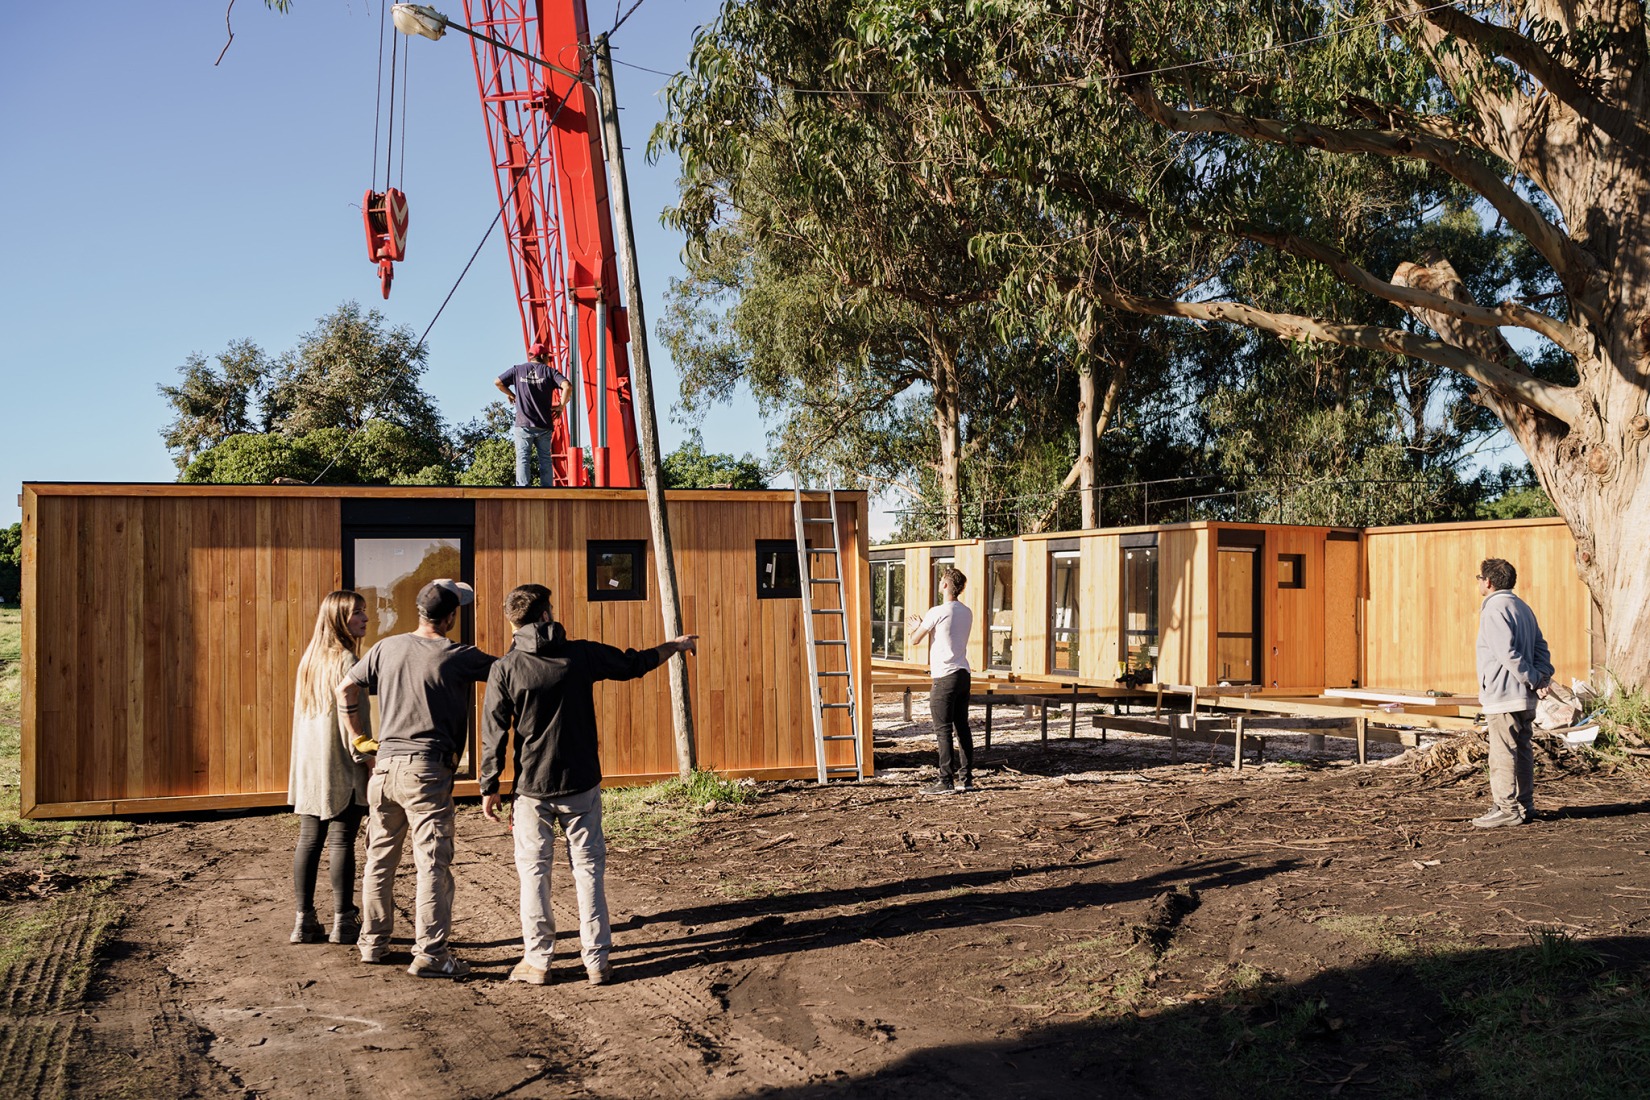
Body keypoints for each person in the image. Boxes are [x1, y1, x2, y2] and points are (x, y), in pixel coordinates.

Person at [480, 583, 697, 987]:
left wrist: (488, 785)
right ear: (545, 615)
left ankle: (538, 962)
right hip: (581, 784)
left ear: (514, 622)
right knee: (589, 871)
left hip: (532, 789)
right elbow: (634, 664)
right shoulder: (580, 654)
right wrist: (675, 646)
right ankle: (597, 961)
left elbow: (493, 732)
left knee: (534, 874)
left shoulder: (505, 668)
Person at [337, 579, 496, 977]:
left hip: (385, 768)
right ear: (451, 617)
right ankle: (431, 954)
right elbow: (512, 671)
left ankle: (373, 943)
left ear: (419, 612)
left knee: (379, 859)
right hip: (426, 771)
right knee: (431, 864)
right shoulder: (459, 654)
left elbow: (345, 688)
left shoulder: (386, 647)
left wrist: (359, 737)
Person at [287, 590, 372, 946]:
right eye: (358, 614)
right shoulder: (347, 660)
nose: (366, 619)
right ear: (340, 619)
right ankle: (344, 922)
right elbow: (353, 723)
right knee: (341, 841)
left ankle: (303, 922)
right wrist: (366, 759)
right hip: (340, 765)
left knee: (309, 840)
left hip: (309, 768)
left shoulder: (309, 660)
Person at [1473, 557, 1554, 829]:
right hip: (1524, 697)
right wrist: (1541, 677)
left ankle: (1506, 808)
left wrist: (1533, 678)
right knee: (1522, 749)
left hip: (1503, 693)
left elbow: (1507, 653)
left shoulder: (1494, 609)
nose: (1479, 583)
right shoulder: (1522, 607)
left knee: (1502, 752)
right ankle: (1524, 804)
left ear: (1489, 581)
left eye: (1479, 578)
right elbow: (1541, 648)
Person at [907, 566, 975, 795]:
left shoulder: (937, 611)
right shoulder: (967, 612)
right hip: (963, 675)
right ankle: (966, 779)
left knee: (943, 730)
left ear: (946, 585)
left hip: (944, 677)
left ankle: (945, 781)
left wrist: (916, 628)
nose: (939, 584)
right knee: (962, 728)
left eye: (941, 581)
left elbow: (915, 639)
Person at [496, 345, 574, 488]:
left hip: (524, 423)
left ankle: (523, 488)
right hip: (544, 424)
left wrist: (512, 395)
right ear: (543, 356)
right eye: (548, 357)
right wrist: (561, 406)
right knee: (545, 458)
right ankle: (547, 488)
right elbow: (567, 386)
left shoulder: (517, 370)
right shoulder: (549, 372)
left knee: (523, 458)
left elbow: (498, 382)